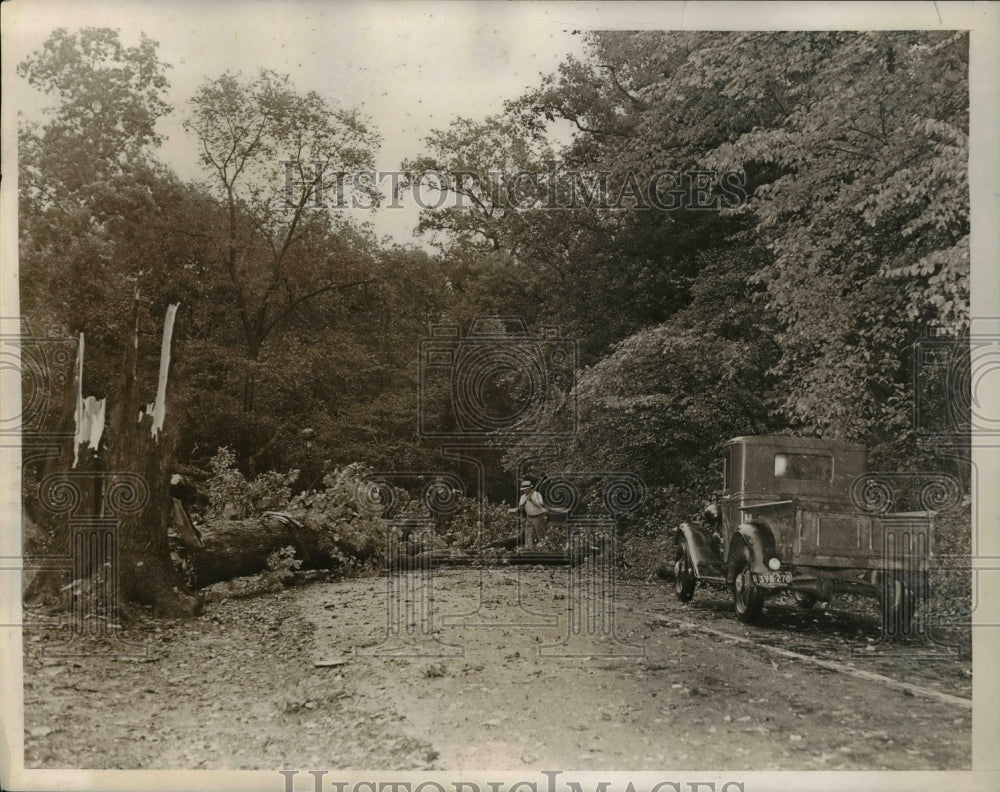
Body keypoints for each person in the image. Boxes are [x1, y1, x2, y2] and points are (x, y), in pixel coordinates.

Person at [516, 479, 550, 550]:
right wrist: (523, 504)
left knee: (541, 534)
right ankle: (528, 548)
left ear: (529, 488)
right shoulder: (523, 497)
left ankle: (544, 549)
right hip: (529, 518)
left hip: (539, 517)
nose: (524, 491)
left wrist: (531, 500)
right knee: (528, 534)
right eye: (523, 490)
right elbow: (521, 508)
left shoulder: (537, 495)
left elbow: (540, 506)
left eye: (525, 489)